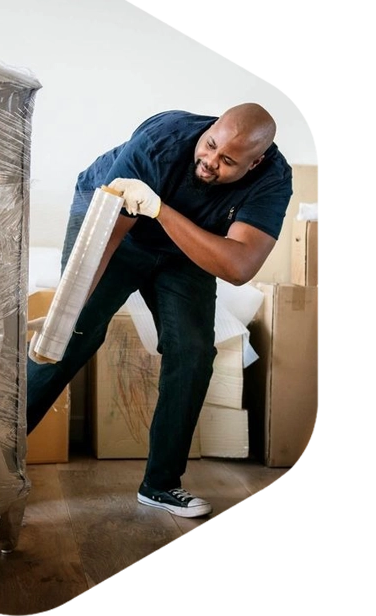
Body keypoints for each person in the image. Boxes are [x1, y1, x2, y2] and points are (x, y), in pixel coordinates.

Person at [26, 103, 293, 518]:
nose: (209, 161)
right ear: (210, 129)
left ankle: (161, 484)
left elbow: (240, 267)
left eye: (227, 161)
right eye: (209, 146)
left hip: (183, 242)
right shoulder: (162, 141)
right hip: (113, 220)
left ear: (255, 162)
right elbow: (110, 236)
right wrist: (68, 307)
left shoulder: (273, 180)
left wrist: (161, 210)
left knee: (193, 351)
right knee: (72, 336)